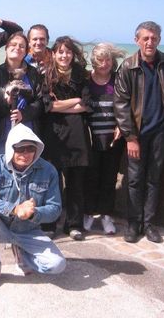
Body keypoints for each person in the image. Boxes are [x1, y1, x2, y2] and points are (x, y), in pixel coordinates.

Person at [114, 21, 164, 244]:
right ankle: (133, 223)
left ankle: (148, 224)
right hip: (137, 134)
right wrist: (130, 137)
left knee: (154, 179)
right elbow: (121, 104)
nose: (150, 42)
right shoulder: (128, 67)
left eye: (154, 38)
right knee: (135, 180)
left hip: (160, 133)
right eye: (145, 38)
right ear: (137, 40)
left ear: (159, 39)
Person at [0, 123, 66, 289]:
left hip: (28, 229)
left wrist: (33, 213)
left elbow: (55, 208)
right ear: (10, 148)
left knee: (57, 265)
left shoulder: (48, 170)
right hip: (1, 225)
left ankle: (22, 252)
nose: (25, 154)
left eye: (30, 148)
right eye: (20, 148)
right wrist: (14, 209)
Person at [40, 36, 92, 241]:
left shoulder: (81, 74)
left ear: (73, 54)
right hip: (53, 134)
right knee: (52, 182)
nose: (64, 55)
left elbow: (88, 104)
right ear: (53, 53)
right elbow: (47, 106)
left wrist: (61, 105)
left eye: (68, 51)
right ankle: (49, 223)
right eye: (60, 51)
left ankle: (74, 224)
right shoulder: (46, 74)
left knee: (76, 182)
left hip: (77, 135)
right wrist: (75, 101)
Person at [83, 43, 126, 235]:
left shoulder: (118, 80)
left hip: (113, 138)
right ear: (94, 61)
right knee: (91, 177)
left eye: (108, 59)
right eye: (100, 59)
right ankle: (89, 213)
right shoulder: (86, 80)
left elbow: (127, 106)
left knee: (109, 178)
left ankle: (107, 215)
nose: (105, 63)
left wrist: (121, 126)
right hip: (91, 137)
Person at [0, 32, 43, 158]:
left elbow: (40, 102)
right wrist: (7, 103)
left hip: (27, 133)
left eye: (22, 46)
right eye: (13, 44)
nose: (17, 48)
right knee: (1, 172)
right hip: (0, 135)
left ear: (26, 51)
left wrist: (24, 114)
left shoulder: (33, 74)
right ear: (6, 48)